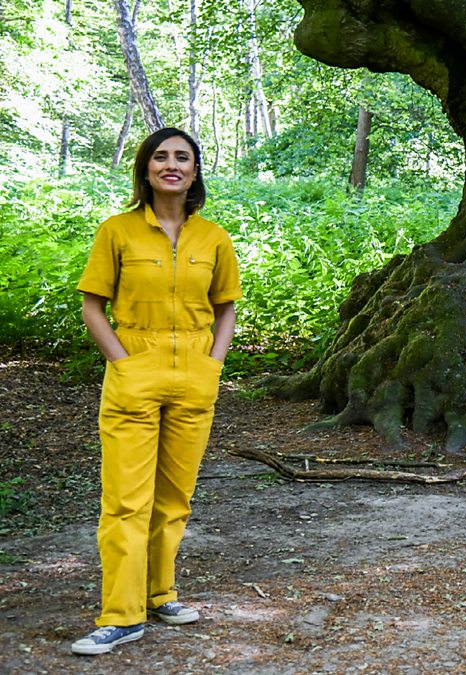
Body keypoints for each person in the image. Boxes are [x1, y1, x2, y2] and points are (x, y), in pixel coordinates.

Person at [71, 128, 241, 655]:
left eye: (182, 157)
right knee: (125, 500)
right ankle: (121, 615)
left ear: (194, 172)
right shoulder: (117, 232)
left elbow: (226, 309)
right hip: (134, 373)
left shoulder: (213, 237)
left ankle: (159, 592)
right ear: (145, 169)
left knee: (174, 498)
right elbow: (92, 306)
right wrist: (122, 363)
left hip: (194, 374)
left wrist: (213, 364)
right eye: (161, 157)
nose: (172, 165)